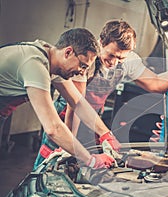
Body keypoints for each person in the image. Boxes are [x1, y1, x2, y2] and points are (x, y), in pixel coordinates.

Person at [33, 19, 168, 170]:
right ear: (101, 43)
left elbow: (156, 84)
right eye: (111, 55)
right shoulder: (86, 58)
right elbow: (76, 104)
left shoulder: (129, 61)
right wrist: (69, 142)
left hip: (93, 118)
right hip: (67, 115)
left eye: (120, 58)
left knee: (85, 165)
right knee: (51, 161)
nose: (114, 62)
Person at [0, 28, 118, 170]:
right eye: (83, 65)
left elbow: (78, 103)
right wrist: (91, 160)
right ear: (68, 52)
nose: (82, 72)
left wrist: (106, 134)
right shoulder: (35, 66)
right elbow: (53, 128)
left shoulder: (50, 58)